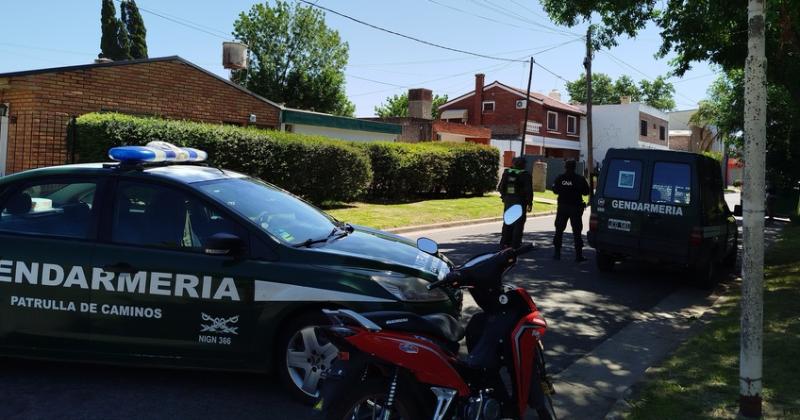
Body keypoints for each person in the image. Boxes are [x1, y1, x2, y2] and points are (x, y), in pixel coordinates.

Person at [552, 160, 591, 261]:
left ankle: (557, 254)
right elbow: (586, 192)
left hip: (562, 207)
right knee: (577, 232)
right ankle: (578, 255)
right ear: (575, 167)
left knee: (559, 230)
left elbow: (555, 190)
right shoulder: (580, 179)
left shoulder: (560, 178)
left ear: (565, 167)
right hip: (575, 208)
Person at [498, 157, 533, 249]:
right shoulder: (525, 175)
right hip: (520, 202)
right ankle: (515, 244)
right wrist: (530, 203)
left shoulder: (507, 173)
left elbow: (501, 187)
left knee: (508, 222)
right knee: (518, 224)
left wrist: (504, 197)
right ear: (523, 165)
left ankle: (504, 242)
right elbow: (528, 190)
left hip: (508, 201)